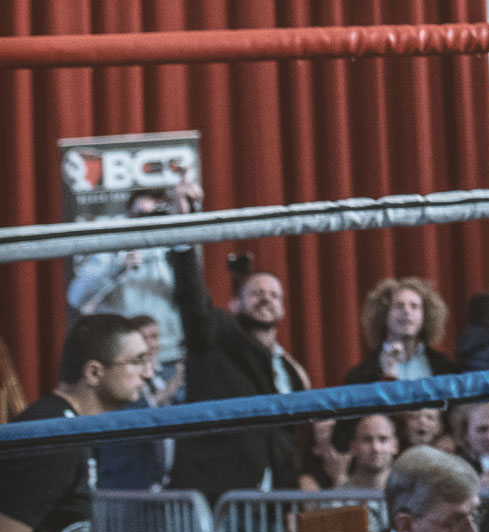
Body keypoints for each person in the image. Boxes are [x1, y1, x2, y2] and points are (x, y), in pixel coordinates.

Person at [0, 315, 150, 532]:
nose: (148, 373)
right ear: (94, 372)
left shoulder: (71, 430)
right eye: (138, 361)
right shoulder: (54, 437)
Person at [166, 182, 310, 499]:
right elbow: (191, 295)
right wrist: (182, 226)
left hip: (272, 502)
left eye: (274, 295)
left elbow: (286, 440)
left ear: (284, 308)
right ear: (235, 304)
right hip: (216, 498)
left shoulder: (290, 371)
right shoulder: (215, 335)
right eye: (256, 293)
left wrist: (291, 500)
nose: (266, 299)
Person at [66, 187, 183, 379]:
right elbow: (76, 297)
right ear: (128, 215)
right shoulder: (111, 248)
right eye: (141, 215)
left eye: (156, 215)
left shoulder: (174, 249)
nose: (148, 222)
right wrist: (117, 268)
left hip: (170, 357)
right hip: (125, 360)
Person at [93, 317, 178, 494]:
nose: (150, 345)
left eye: (155, 337)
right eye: (136, 360)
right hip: (124, 491)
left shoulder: (162, 377)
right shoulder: (118, 389)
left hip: (160, 487)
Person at [344, 279, 461, 385]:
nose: (407, 312)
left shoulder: (447, 369)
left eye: (414, 306)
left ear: (425, 316)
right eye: (399, 306)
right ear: (383, 315)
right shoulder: (359, 376)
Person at [337, 414, 402, 532]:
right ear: (353, 446)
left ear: (395, 445)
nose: (376, 448)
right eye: (367, 440)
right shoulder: (334, 503)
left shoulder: (410, 498)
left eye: (383, 439)